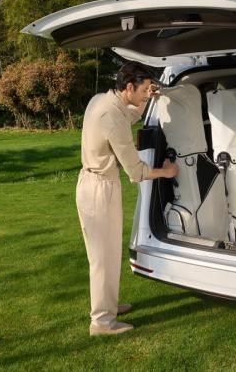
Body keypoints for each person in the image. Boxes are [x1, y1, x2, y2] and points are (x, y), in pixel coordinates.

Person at [76, 61, 178, 336]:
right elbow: (136, 171)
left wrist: (148, 101)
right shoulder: (111, 118)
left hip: (91, 183)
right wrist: (167, 172)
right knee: (103, 257)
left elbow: (128, 116)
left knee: (107, 254)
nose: (146, 94)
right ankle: (102, 322)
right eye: (144, 90)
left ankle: (107, 306)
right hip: (100, 189)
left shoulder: (101, 100)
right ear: (129, 87)